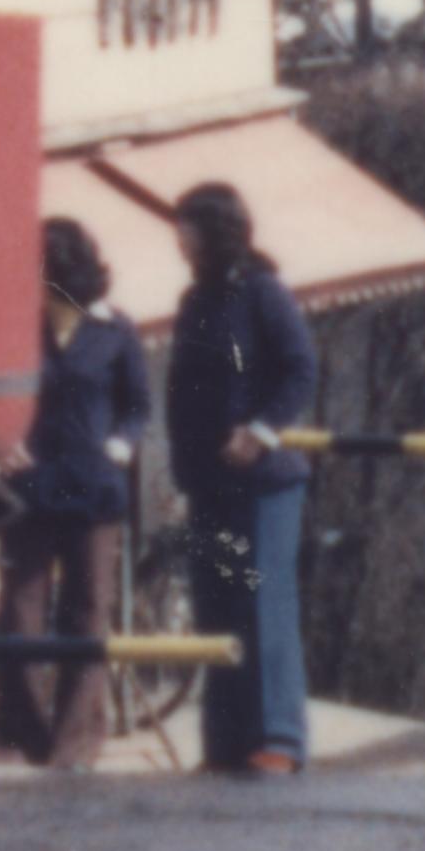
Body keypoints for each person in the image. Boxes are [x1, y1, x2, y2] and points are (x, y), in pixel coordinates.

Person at [160, 175, 318, 780]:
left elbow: (300, 370)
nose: (181, 243)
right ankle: (225, 741)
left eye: (188, 231)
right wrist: (181, 468)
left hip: (266, 483)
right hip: (209, 483)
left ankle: (279, 739)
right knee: (217, 606)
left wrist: (261, 430)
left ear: (215, 233)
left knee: (262, 602)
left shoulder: (264, 292)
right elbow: (180, 392)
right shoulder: (193, 302)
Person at [0, 219, 148, 766]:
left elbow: (138, 406)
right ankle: (21, 730)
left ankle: (74, 743)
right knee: (21, 609)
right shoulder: (15, 328)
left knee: (86, 612)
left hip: (95, 489)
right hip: (31, 487)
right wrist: (2, 441)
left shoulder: (116, 331)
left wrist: (121, 446)